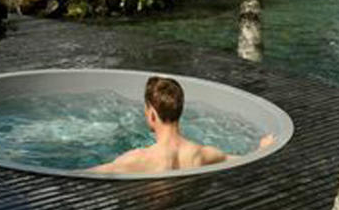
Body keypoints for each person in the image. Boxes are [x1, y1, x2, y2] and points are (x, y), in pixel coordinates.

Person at [89, 74, 275, 174]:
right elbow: (240, 160)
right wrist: (262, 148)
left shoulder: (137, 159)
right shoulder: (202, 154)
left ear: (152, 114)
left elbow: (87, 174)